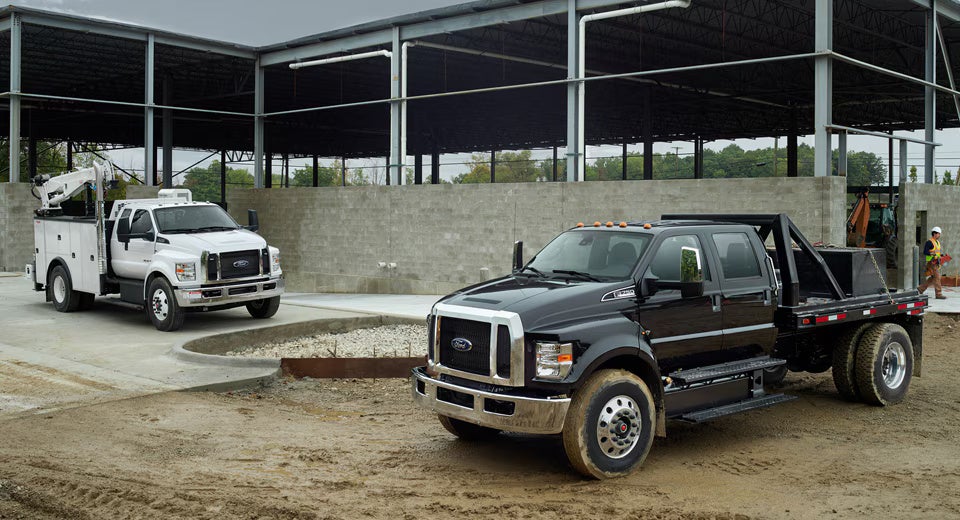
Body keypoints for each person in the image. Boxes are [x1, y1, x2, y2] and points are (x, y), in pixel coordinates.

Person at [918, 226, 948, 299]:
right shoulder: (929, 242)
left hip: (936, 262)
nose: (939, 235)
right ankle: (938, 294)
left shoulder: (937, 242)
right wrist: (933, 254)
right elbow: (925, 252)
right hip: (931, 262)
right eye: (938, 234)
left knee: (933, 278)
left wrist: (941, 256)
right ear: (934, 234)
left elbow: (936, 252)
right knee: (937, 277)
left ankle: (921, 289)